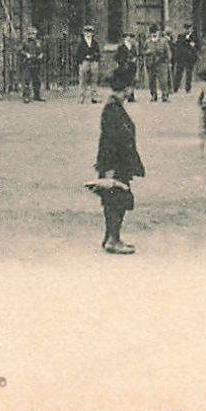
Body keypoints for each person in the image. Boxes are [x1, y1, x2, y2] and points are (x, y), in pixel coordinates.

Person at [91, 66, 145, 254]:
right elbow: (112, 141)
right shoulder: (113, 110)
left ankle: (110, 237)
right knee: (116, 199)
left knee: (115, 199)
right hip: (114, 163)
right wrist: (109, 169)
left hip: (117, 162)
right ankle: (113, 239)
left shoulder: (113, 108)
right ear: (127, 89)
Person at [143, 25, 171, 102]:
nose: (154, 34)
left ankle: (165, 95)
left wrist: (167, 60)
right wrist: (147, 52)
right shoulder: (147, 42)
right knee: (151, 80)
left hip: (161, 63)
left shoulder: (163, 41)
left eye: (156, 32)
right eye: (152, 32)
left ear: (158, 32)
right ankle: (153, 95)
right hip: (151, 63)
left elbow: (168, 52)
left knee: (163, 80)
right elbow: (143, 52)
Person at [75, 25, 102, 104]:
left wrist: (94, 57)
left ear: (92, 33)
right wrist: (82, 60)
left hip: (93, 62)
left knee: (94, 80)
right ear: (84, 33)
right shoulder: (81, 43)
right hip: (84, 62)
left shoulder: (95, 43)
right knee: (83, 80)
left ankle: (94, 97)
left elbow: (98, 53)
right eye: (87, 32)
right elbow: (78, 54)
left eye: (90, 32)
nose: (88, 34)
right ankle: (81, 97)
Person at [19, 29, 45, 102]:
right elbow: (20, 51)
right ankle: (26, 96)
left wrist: (41, 55)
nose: (32, 35)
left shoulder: (38, 42)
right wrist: (26, 54)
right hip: (27, 63)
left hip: (36, 62)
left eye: (34, 34)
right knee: (27, 80)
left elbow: (42, 50)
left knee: (37, 80)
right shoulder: (25, 42)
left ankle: (37, 95)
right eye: (31, 34)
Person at [173, 24, 200, 94]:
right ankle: (175, 87)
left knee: (189, 73)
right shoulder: (180, 36)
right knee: (179, 72)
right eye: (185, 29)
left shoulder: (194, 37)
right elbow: (178, 45)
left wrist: (193, 49)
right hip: (181, 58)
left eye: (188, 29)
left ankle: (188, 88)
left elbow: (197, 46)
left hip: (189, 58)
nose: (187, 30)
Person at [113, 36, 139, 102]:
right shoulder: (121, 47)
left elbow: (136, 55)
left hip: (132, 66)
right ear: (124, 38)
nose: (128, 38)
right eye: (127, 37)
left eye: (130, 37)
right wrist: (122, 62)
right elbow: (116, 57)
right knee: (124, 81)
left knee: (131, 81)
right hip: (124, 66)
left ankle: (131, 96)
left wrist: (134, 59)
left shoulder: (133, 47)